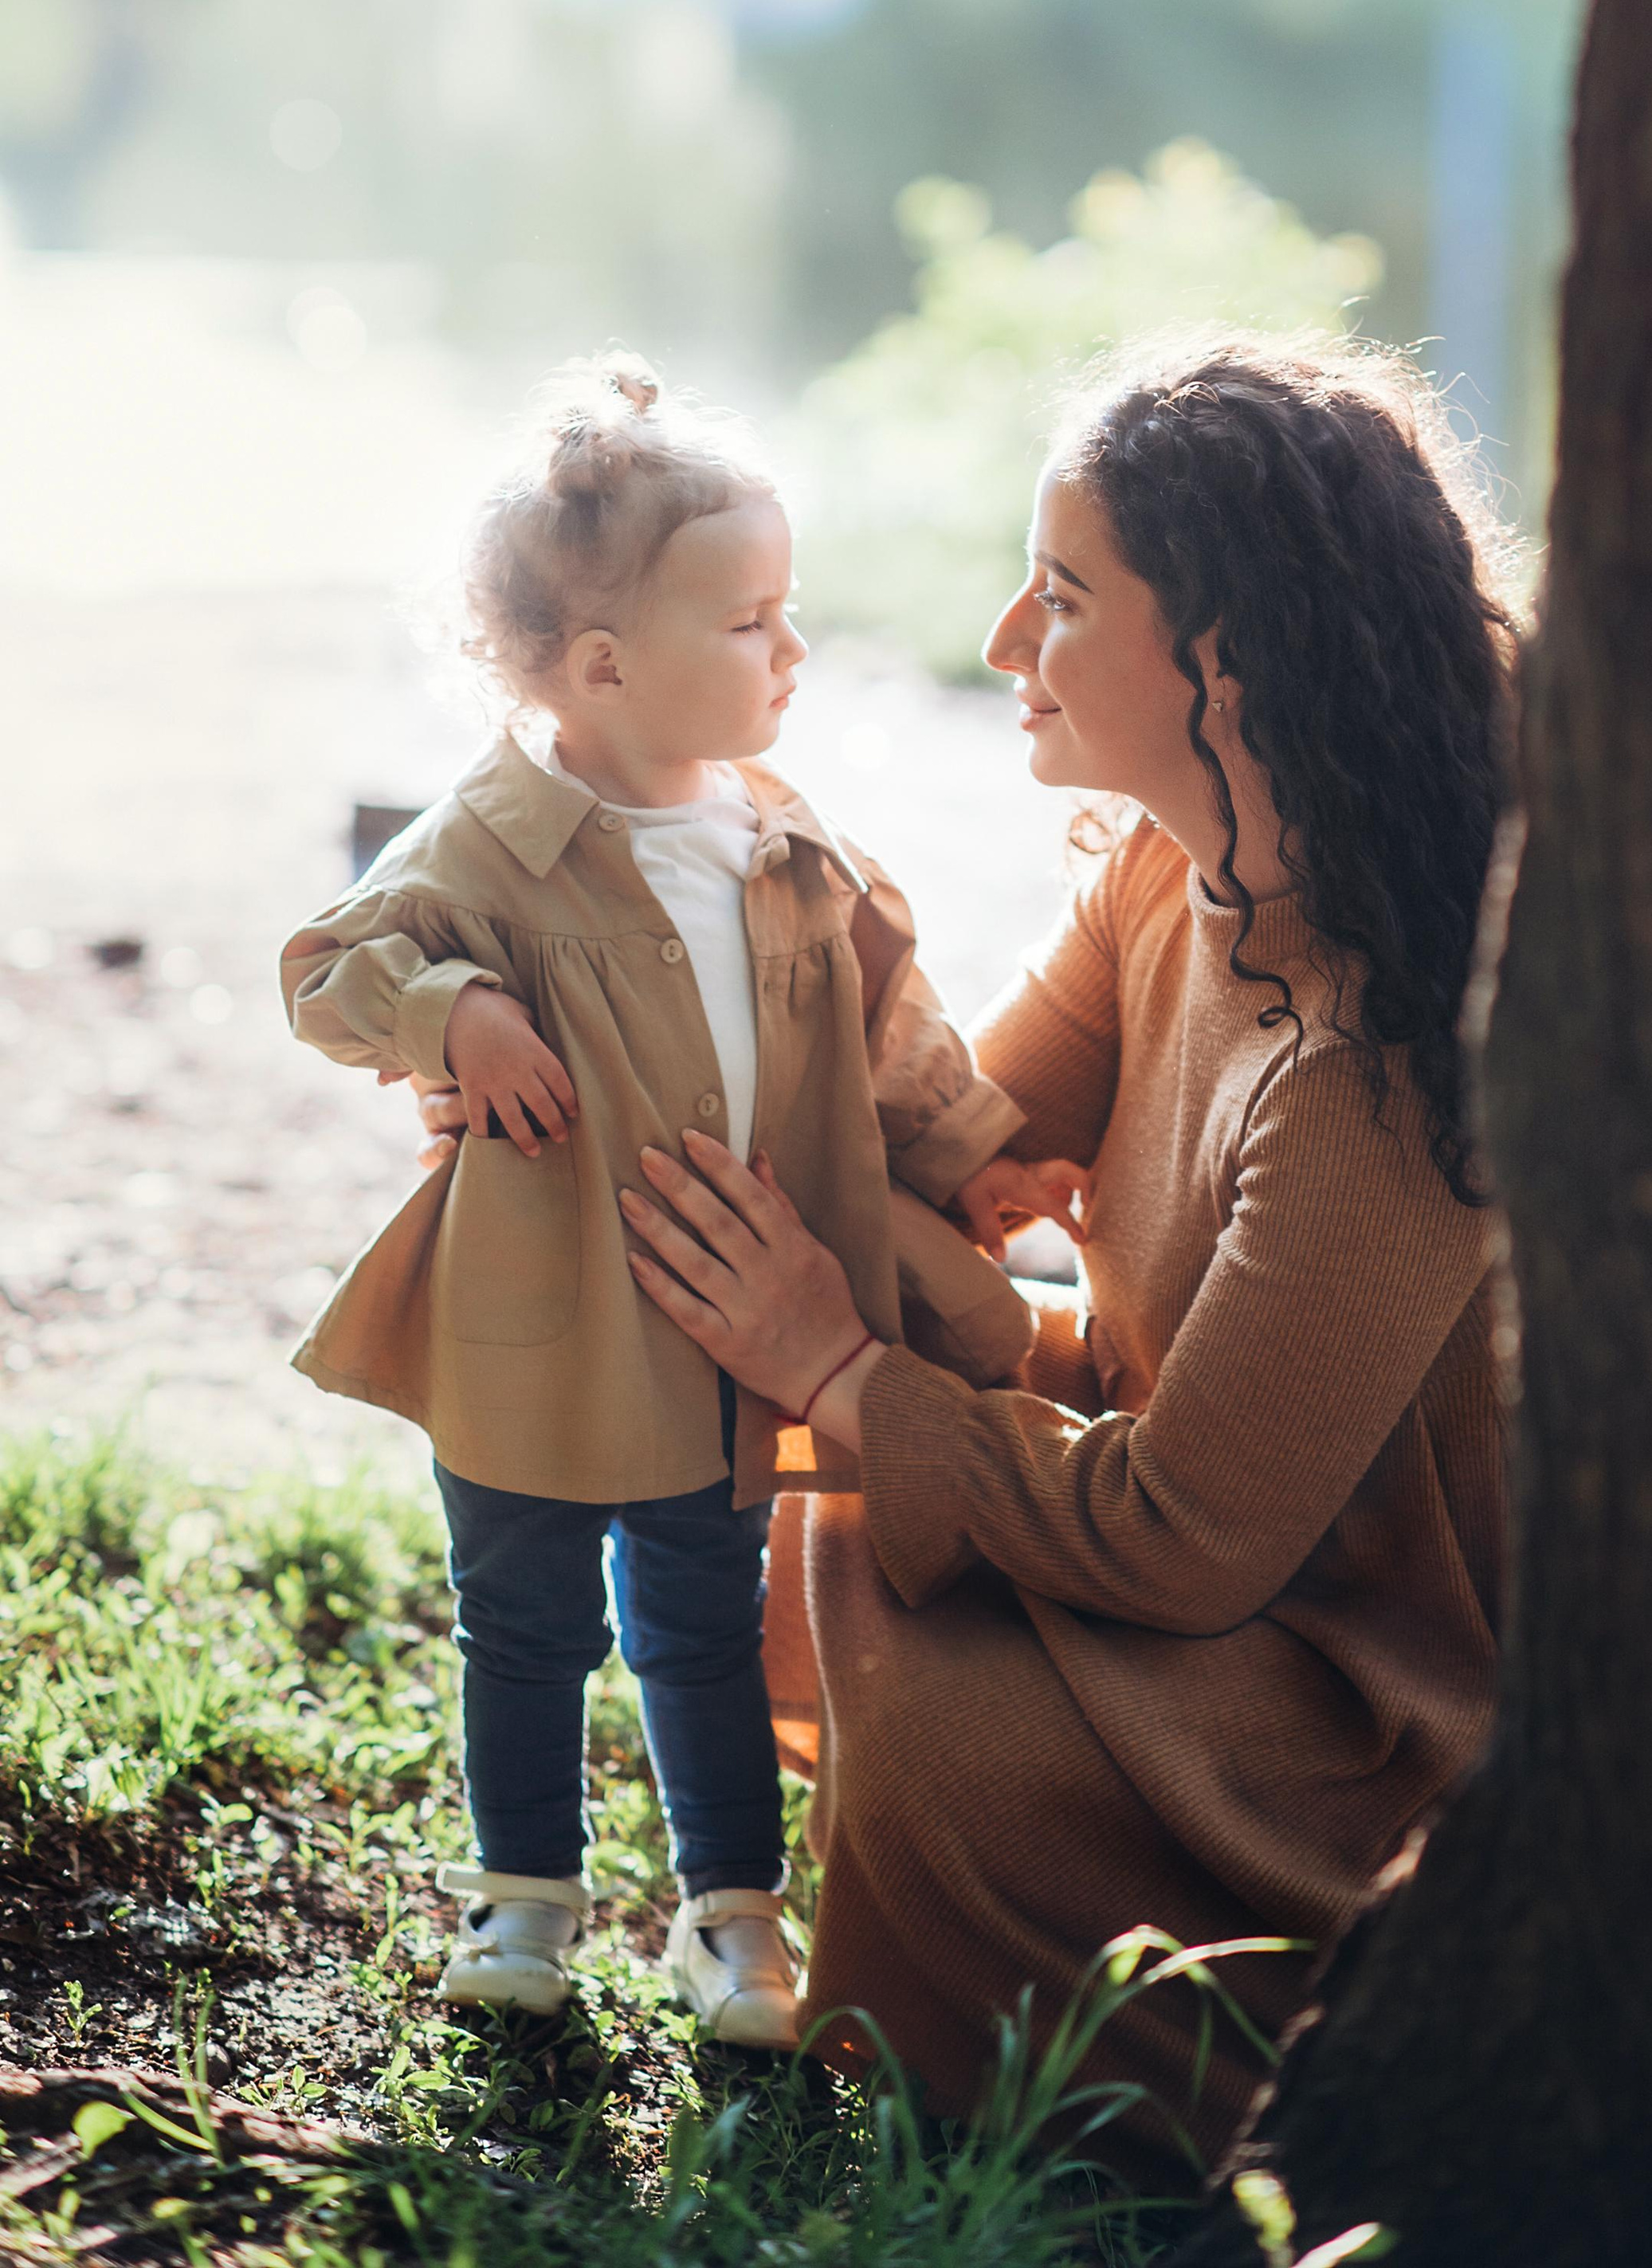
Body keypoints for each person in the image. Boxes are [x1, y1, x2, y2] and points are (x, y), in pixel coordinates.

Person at [614, 335, 1520, 2167]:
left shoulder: (1380, 1073)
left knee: (929, 1674)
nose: (1003, 641)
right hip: (1200, 1524)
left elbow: (1183, 1542)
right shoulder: (1163, 869)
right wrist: (599, 1005)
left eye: (1060, 594)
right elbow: (934, 1147)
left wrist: (836, 1362)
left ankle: (1279, 2094)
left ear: (1232, 656)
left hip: (1366, 1688)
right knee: (853, 1504)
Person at [280, 353, 1070, 2039]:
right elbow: (330, 968)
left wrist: (971, 1154)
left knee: (703, 1619)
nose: (792, 653)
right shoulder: (489, 845)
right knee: (524, 1616)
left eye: (788, 614)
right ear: (602, 666)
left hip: (723, 1335)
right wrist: (451, 1011)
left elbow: (886, 1036)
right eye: (751, 624)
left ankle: (731, 1911)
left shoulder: (782, 845)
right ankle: (525, 1896)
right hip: (535, 1318)